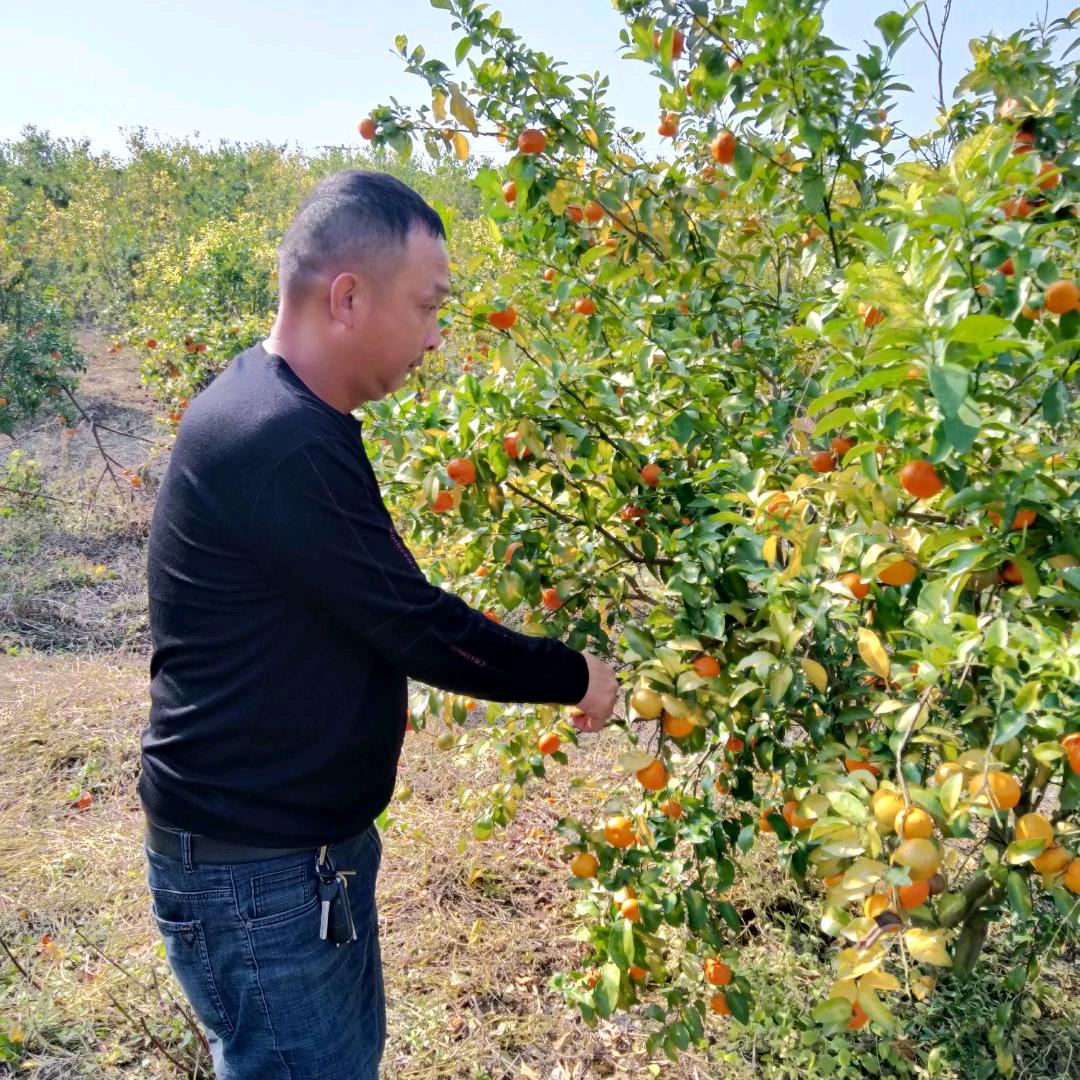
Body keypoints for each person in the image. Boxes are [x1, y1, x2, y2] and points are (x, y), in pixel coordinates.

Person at [138, 169, 618, 1080]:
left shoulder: (277, 405)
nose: (437, 337)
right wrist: (575, 676)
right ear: (348, 297)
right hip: (259, 868)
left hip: (289, 854)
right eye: (428, 307)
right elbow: (416, 626)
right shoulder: (278, 439)